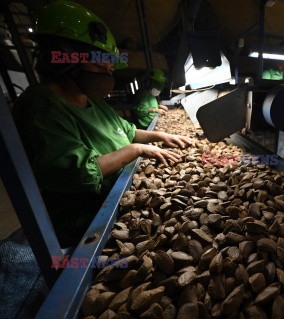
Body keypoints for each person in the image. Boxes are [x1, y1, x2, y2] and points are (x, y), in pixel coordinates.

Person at [12, 1, 192, 247]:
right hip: (86, 226)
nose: (108, 76)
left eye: (109, 69)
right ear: (64, 57)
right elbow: (77, 172)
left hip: (120, 200)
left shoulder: (93, 102)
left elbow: (127, 131)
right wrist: (136, 150)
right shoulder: (41, 106)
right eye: (100, 66)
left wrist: (158, 136)